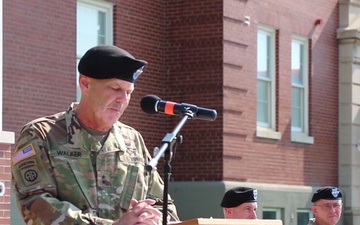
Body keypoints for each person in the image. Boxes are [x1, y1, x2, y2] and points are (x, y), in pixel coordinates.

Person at [11, 45, 179, 225]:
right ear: (85, 83)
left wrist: (150, 218)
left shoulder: (132, 140)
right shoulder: (41, 135)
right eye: (115, 89)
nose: (123, 99)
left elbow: (163, 203)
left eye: (129, 92)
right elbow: (36, 205)